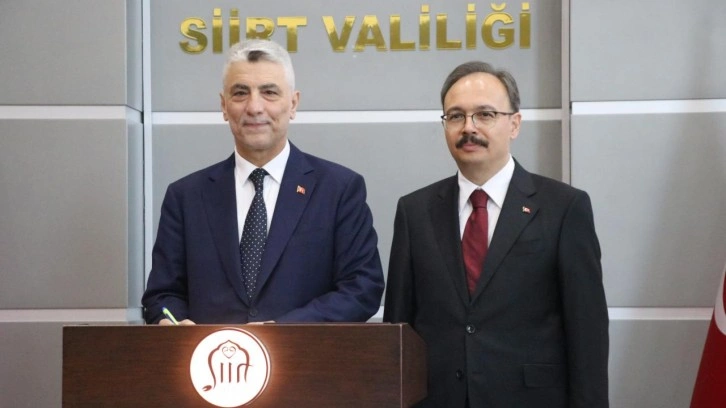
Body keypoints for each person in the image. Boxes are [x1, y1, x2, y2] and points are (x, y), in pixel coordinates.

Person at [383, 61, 609, 407]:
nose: (468, 128)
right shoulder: (415, 211)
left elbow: (587, 332)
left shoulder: (564, 208)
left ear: (514, 124)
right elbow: (399, 330)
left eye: (485, 115)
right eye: (455, 116)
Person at [142, 39, 384, 325]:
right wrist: (171, 321)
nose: (254, 107)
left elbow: (361, 288)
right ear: (223, 105)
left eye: (269, 92)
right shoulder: (186, 197)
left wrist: (282, 330)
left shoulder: (339, 189)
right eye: (240, 93)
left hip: (304, 353)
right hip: (211, 353)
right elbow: (161, 296)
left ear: (293, 103)